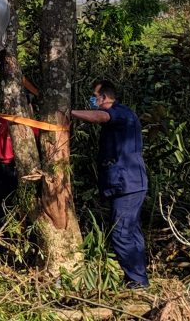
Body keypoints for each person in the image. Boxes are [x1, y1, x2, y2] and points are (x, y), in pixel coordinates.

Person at [68, 80, 149, 289]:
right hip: (128, 183)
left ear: (104, 97)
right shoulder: (124, 115)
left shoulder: (120, 113)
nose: (93, 100)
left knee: (121, 233)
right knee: (132, 231)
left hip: (127, 184)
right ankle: (138, 277)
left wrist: (70, 113)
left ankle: (137, 281)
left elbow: (101, 116)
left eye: (95, 96)